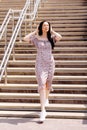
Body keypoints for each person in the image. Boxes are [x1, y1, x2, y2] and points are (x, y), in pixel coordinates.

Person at [24, 20, 62, 122]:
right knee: (41, 84)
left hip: (50, 63)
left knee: (48, 83)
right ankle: (43, 111)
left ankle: (46, 99)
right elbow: (25, 38)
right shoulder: (36, 39)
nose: (46, 27)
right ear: (41, 27)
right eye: (44, 25)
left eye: (47, 25)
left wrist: (52, 31)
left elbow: (60, 37)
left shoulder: (52, 38)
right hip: (40, 63)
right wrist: (35, 31)